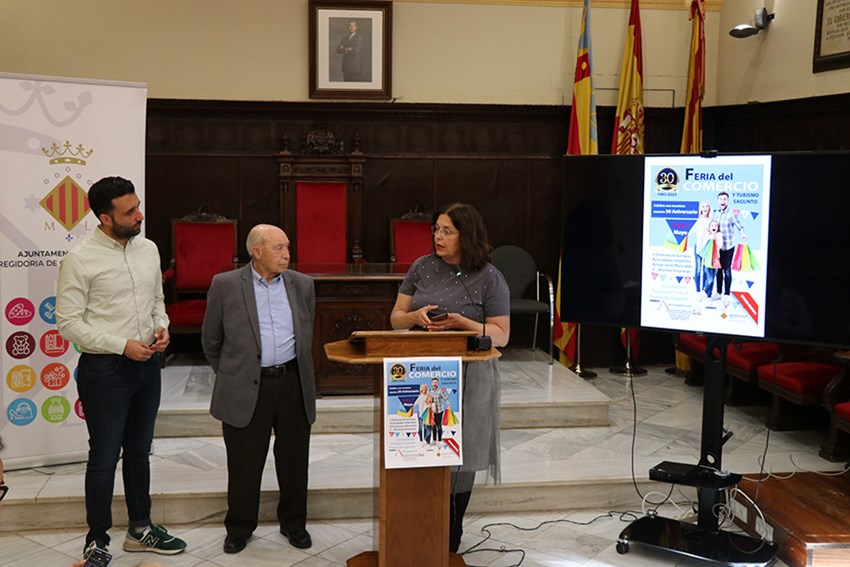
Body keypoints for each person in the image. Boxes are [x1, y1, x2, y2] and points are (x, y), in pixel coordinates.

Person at [55, 177, 187, 560]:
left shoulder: (149, 249)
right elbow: (68, 324)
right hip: (104, 372)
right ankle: (97, 539)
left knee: (140, 452)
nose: (139, 215)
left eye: (138, 206)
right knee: (104, 457)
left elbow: (157, 300)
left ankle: (140, 528)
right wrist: (121, 345)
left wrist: (161, 327)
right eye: (130, 212)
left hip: (147, 367)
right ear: (106, 218)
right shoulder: (80, 259)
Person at [390, 202, 510, 553]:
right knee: (420, 449)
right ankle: (418, 527)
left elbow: (501, 335)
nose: (438, 237)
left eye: (447, 231)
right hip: (421, 373)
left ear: (466, 235)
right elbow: (396, 318)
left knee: (460, 455)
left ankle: (449, 534)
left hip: (470, 375)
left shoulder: (489, 276)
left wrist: (463, 323)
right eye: (436, 229)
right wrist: (414, 318)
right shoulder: (422, 266)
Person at [201, 224, 317, 554]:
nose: (287, 254)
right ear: (257, 251)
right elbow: (211, 340)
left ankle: (294, 524)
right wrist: (233, 374)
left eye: (288, 247)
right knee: (244, 463)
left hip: (292, 383)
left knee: (294, 461)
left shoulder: (302, 284)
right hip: (246, 386)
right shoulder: (225, 285)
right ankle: (239, 527)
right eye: (279, 248)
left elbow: (306, 329)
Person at [712, 191, 747, 298]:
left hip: (728, 246)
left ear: (727, 201)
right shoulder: (716, 213)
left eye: (725, 199)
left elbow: (739, 225)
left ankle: (726, 294)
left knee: (726, 270)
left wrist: (743, 234)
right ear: (718, 201)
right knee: (718, 269)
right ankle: (719, 292)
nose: (722, 201)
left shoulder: (731, 213)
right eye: (721, 199)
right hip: (718, 247)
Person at [688, 201, 712, 296]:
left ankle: (703, 290)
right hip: (698, 247)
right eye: (703, 206)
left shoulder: (711, 220)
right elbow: (690, 232)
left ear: (709, 208)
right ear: (701, 208)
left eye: (707, 206)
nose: (705, 208)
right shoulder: (698, 220)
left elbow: (715, 232)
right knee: (698, 270)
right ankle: (698, 291)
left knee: (706, 270)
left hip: (707, 248)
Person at [702, 220, 723, 300]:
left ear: (718, 228)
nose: (714, 227)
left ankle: (709, 296)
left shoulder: (719, 235)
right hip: (707, 259)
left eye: (715, 225)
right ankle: (704, 291)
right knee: (709, 279)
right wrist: (711, 237)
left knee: (713, 278)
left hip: (715, 259)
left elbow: (720, 246)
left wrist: (715, 238)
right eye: (712, 225)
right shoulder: (707, 234)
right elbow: (705, 245)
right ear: (709, 227)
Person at [429, 377, 450, 444]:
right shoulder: (430, 391)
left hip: (439, 411)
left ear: (438, 383)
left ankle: (440, 440)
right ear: (431, 383)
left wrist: (448, 404)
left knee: (438, 425)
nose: (434, 384)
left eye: (436, 382)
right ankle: (434, 440)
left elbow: (446, 398)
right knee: (433, 425)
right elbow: (429, 400)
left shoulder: (440, 391)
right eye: (433, 382)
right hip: (433, 411)